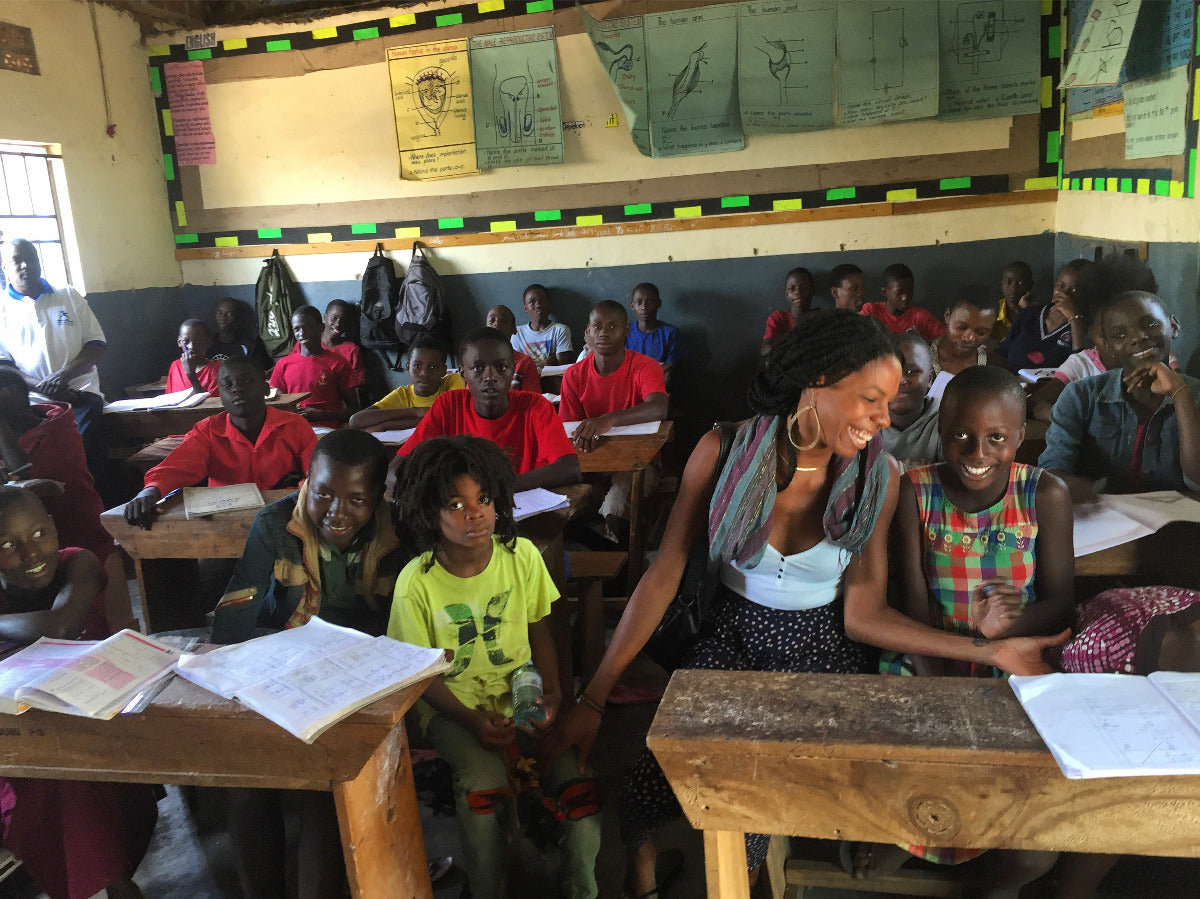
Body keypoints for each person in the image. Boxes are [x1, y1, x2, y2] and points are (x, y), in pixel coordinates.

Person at [541, 311, 1065, 897]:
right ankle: (645, 880)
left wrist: (990, 652)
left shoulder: (877, 476)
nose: (883, 420)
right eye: (870, 399)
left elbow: (863, 615)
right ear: (816, 382)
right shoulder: (725, 449)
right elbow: (661, 578)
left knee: (750, 815)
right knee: (648, 785)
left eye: (888, 403)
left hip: (823, 647)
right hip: (731, 635)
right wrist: (594, 694)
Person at [864, 366, 1071, 892]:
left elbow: (1061, 602)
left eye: (996, 438)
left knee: (1011, 770)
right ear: (941, 432)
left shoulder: (1044, 494)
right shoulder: (917, 491)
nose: (977, 452)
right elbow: (911, 604)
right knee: (912, 751)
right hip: (929, 656)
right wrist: (947, 687)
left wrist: (1007, 626)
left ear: (1020, 437)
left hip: (1013, 660)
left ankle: (986, 856)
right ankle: (907, 840)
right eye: (960, 435)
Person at [390, 436, 601, 899]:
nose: (475, 513)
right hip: (451, 705)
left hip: (521, 694)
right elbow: (419, 675)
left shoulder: (520, 555)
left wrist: (554, 698)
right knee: (484, 790)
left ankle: (580, 889)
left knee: (579, 796)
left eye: (483, 498)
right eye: (455, 504)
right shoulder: (416, 584)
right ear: (430, 515)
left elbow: (540, 630)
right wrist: (469, 720)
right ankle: (488, 889)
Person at [210, 430, 406, 899]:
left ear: (378, 497)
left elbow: (410, 630)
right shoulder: (275, 525)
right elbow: (230, 628)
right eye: (323, 493)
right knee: (248, 786)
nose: (337, 512)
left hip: (368, 684)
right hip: (288, 674)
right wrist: (301, 653)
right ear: (305, 484)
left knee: (324, 789)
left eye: (357, 499)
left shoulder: (401, 532)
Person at [0, 486, 157, 899]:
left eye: (38, 534)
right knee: (48, 772)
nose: (31, 554)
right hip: (20, 736)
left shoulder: (78, 563)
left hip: (100, 716)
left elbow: (61, 627)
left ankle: (110, 881)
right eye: (7, 544)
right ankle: (102, 882)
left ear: (53, 528)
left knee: (70, 773)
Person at [1039, 290, 1200, 502]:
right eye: (1120, 336)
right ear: (1108, 347)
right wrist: (1084, 490)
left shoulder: (1192, 394)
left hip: (1174, 527)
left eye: (1150, 324)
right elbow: (1052, 473)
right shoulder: (1081, 397)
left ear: (1173, 326)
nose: (1138, 338)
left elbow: (1196, 481)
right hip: (1103, 523)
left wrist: (1180, 395)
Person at [124, 356, 316, 530]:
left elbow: (316, 476)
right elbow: (177, 466)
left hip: (285, 520)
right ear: (219, 393)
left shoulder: (295, 425)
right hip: (224, 525)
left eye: (247, 381)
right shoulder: (208, 430)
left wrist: (296, 492)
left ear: (266, 388)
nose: (237, 389)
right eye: (227, 384)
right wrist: (149, 493)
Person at [0, 366, 125, 630]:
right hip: (31, 561)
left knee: (97, 627)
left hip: (83, 547)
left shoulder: (54, 430)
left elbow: (23, 480)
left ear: (8, 394)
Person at [393, 328, 580, 492]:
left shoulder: (535, 406)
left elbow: (569, 468)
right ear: (463, 373)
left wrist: (490, 490)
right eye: (478, 367)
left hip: (524, 517)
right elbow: (398, 467)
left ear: (513, 370)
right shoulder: (449, 405)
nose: (490, 376)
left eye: (501, 366)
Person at [560, 301, 668, 543]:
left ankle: (622, 569)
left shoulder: (645, 367)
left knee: (615, 511)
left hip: (638, 463)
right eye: (597, 327)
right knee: (566, 513)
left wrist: (609, 419)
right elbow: (568, 430)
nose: (604, 333)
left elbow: (659, 407)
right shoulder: (573, 375)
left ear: (627, 330)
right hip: (590, 463)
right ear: (588, 332)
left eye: (613, 327)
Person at [0, 238, 107, 479]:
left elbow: (97, 345)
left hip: (80, 396)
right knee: (36, 462)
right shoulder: (2, 309)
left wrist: (62, 377)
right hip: (32, 403)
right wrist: (45, 388)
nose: (26, 265)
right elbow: (5, 367)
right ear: (4, 267)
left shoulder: (68, 295)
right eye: (17, 260)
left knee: (78, 455)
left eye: (31, 258)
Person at [1028, 253, 1160, 422]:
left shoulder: (1156, 362)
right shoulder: (1082, 365)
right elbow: (1036, 402)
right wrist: (1073, 420)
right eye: (1117, 333)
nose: (1134, 339)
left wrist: (1179, 392)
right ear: (1093, 330)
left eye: (1143, 325)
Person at [269, 306, 362, 425]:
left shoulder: (338, 364)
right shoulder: (283, 364)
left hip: (326, 431)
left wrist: (322, 415)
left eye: (307, 327)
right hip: (293, 429)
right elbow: (278, 406)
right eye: (296, 329)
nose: (301, 333)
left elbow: (354, 410)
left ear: (321, 328)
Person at [348, 337, 464, 430]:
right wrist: (415, 411)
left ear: (444, 370)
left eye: (432, 366)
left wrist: (388, 425)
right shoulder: (403, 394)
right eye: (417, 366)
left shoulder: (453, 380)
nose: (424, 373)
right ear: (408, 368)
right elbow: (356, 420)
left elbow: (448, 417)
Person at [998, 259, 1091, 372]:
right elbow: (1001, 353)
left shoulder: (1084, 326)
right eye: (1060, 286)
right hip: (1012, 385)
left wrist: (1074, 319)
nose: (1064, 293)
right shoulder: (1029, 313)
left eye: (1074, 289)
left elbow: (1082, 368)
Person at [881, 333, 941, 471]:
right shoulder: (863, 421)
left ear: (930, 379)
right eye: (891, 370)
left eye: (911, 371)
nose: (900, 379)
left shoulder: (946, 421)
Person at [929, 291, 1005, 379]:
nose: (969, 338)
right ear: (947, 316)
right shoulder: (918, 358)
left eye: (981, 332)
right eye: (962, 327)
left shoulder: (996, 366)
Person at [860, 263, 945, 342]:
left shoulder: (921, 317)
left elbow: (946, 341)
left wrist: (922, 343)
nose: (905, 297)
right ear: (885, 292)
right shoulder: (871, 311)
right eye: (899, 293)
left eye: (910, 291)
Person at [627, 283, 682, 388]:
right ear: (632, 306)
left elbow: (671, 367)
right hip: (630, 387)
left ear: (658, 304)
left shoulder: (670, 333)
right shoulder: (625, 332)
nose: (644, 307)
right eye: (639, 302)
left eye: (649, 302)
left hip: (658, 388)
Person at [511, 284, 573, 367]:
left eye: (542, 301)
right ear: (525, 308)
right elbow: (518, 367)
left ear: (549, 303)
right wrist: (547, 362)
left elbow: (562, 363)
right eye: (531, 302)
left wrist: (530, 366)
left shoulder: (560, 330)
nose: (538, 305)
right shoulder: (517, 333)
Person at [484, 305, 541, 392]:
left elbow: (532, 401)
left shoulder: (525, 363)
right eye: (492, 321)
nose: (496, 324)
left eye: (503, 321)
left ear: (514, 329)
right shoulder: (477, 364)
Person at [209, 296, 273, 372]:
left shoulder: (249, 346)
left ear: (237, 317)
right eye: (220, 313)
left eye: (229, 314)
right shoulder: (208, 345)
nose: (223, 317)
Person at [761, 267, 815, 354]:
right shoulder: (778, 318)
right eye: (792, 288)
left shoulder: (821, 316)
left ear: (813, 291)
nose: (797, 292)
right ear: (786, 294)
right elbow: (764, 349)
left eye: (804, 287)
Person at [164, 319, 221, 395]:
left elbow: (211, 405)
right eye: (186, 342)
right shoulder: (175, 366)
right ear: (179, 342)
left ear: (208, 342)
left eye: (198, 342)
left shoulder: (216, 370)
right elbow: (169, 399)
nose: (191, 346)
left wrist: (191, 376)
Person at [320, 299, 365, 382]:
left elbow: (358, 384)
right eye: (334, 318)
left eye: (343, 320)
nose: (338, 324)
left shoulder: (351, 350)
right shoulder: (310, 342)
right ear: (325, 317)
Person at [993, 261, 1033, 343]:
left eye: (1020, 283)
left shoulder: (1037, 314)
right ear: (1002, 285)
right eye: (1008, 282)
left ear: (1030, 285)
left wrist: (1027, 310)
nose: (1013, 288)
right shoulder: (993, 311)